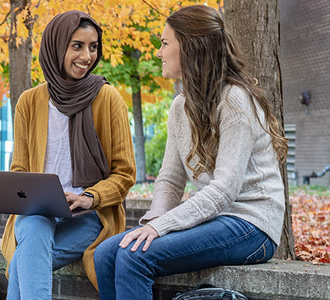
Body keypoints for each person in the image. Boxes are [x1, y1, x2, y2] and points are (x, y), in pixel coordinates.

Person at [93, 5, 288, 299]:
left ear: (191, 47)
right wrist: (153, 223)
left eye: (165, 43)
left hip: (252, 226)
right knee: (107, 253)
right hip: (217, 220)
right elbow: (171, 180)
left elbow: (224, 190)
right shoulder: (179, 108)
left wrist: (162, 228)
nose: (158, 52)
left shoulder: (235, 101)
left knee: (134, 256)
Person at [1, 11, 136, 300]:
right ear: (56, 46)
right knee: (34, 229)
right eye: (77, 45)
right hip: (38, 214)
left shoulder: (108, 99)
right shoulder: (29, 102)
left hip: (90, 217)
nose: (86, 56)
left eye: (93, 46)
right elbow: (20, 170)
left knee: (24, 260)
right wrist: (36, 194)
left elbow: (125, 173)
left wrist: (88, 197)